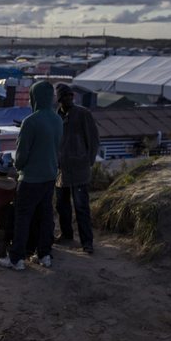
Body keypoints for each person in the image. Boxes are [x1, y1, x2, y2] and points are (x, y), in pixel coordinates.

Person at [0, 81, 62, 271]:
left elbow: (21, 156)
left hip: (30, 179)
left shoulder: (31, 121)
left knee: (22, 218)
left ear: (34, 97)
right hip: (50, 176)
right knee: (45, 217)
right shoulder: (57, 119)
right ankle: (44, 255)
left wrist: (17, 167)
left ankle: (16, 258)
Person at [55, 84, 101, 254]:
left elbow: (93, 139)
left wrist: (88, 161)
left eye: (69, 95)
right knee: (62, 206)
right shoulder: (56, 117)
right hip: (62, 171)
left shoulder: (83, 114)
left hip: (80, 169)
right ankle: (67, 235)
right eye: (64, 96)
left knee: (81, 207)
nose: (68, 98)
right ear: (59, 99)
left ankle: (87, 242)